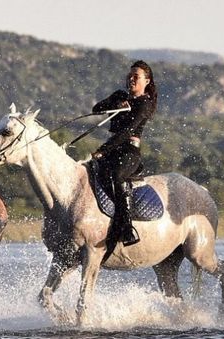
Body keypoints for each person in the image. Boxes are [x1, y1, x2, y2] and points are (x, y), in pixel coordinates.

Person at [91, 60, 157, 246]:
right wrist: (115, 103)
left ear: (147, 81)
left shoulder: (145, 104)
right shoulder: (120, 95)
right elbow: (96, 109)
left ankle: (127, 227)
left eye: (136, 77)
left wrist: (103, 150)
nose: (131, 79)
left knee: (117, 175)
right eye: (130, 76)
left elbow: (127, 131)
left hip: (129, 151)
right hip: (112, 149)